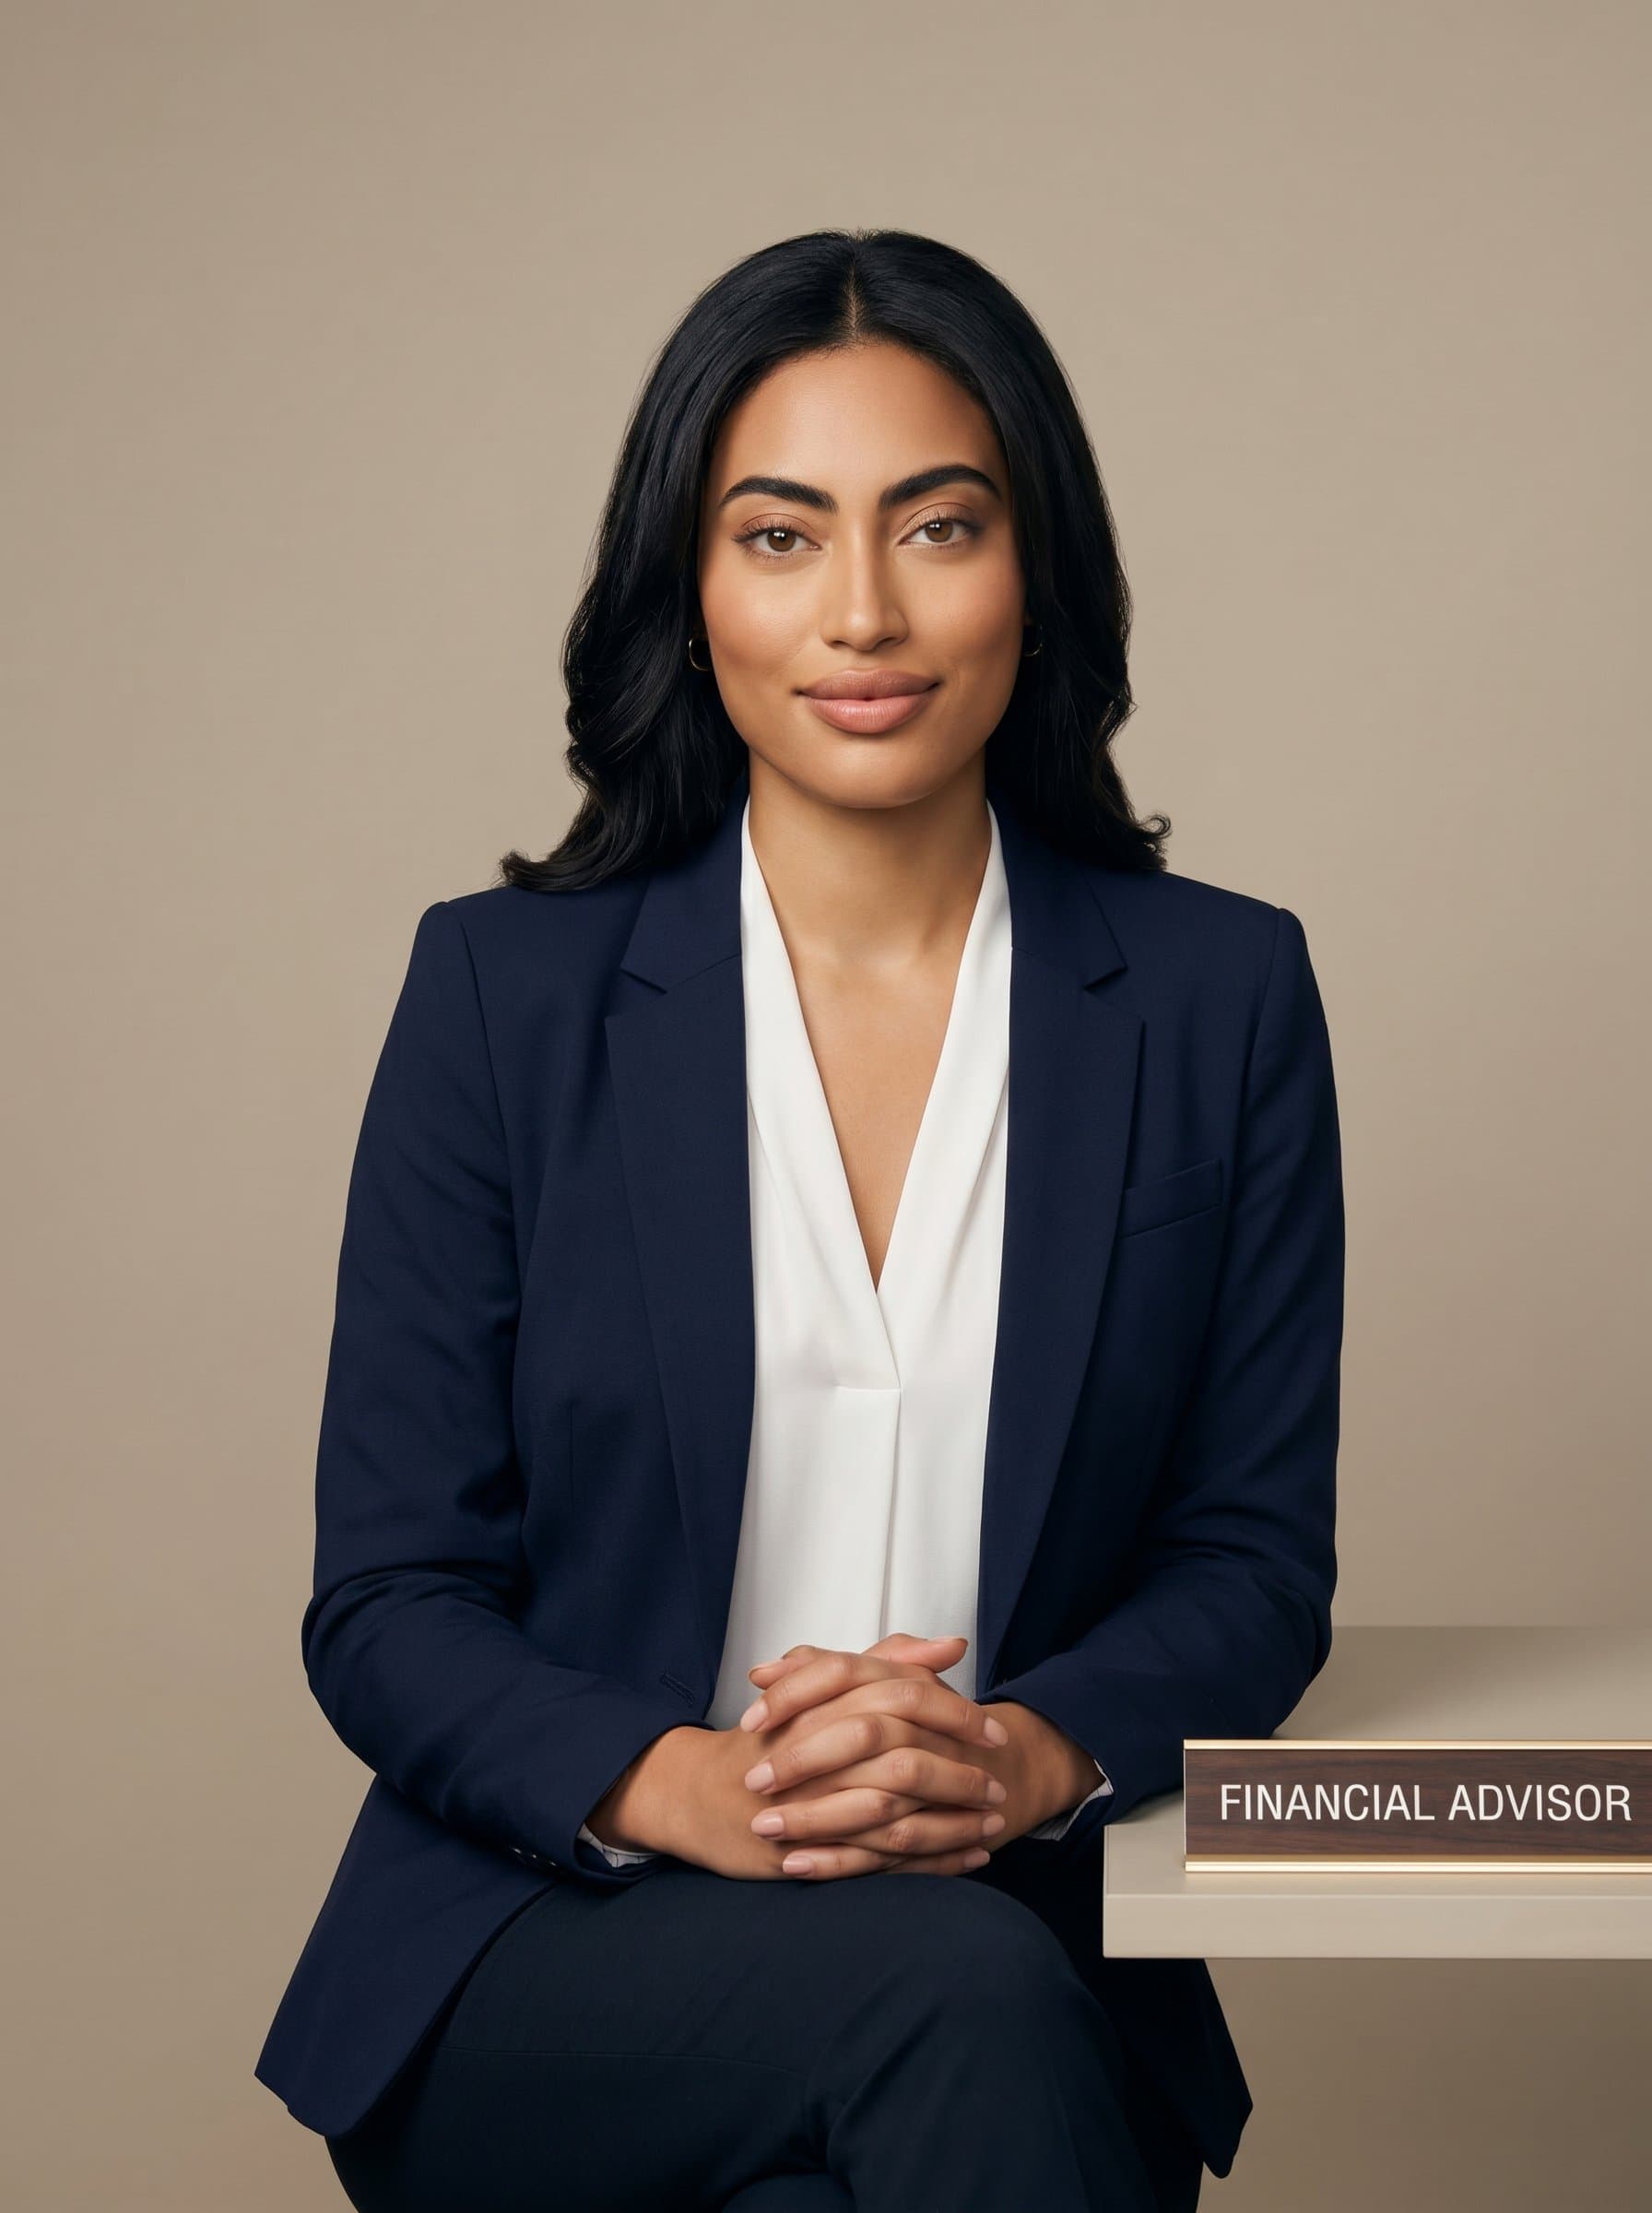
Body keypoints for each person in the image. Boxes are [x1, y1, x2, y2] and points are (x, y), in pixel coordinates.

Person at [254, 228, 1344, 2212]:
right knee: (953, 2007)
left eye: (936, 527)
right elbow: (389, 1599)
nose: (861, 610)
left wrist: (1021, 1755)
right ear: (690, 589)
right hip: (552, 1939)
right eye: (778, 537)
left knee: (907, 2079)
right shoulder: (505, 999)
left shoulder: (1216, 1000)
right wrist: (702, 1787)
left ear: (1038, 573)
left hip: (1018, 1927)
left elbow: (1247, 1567)